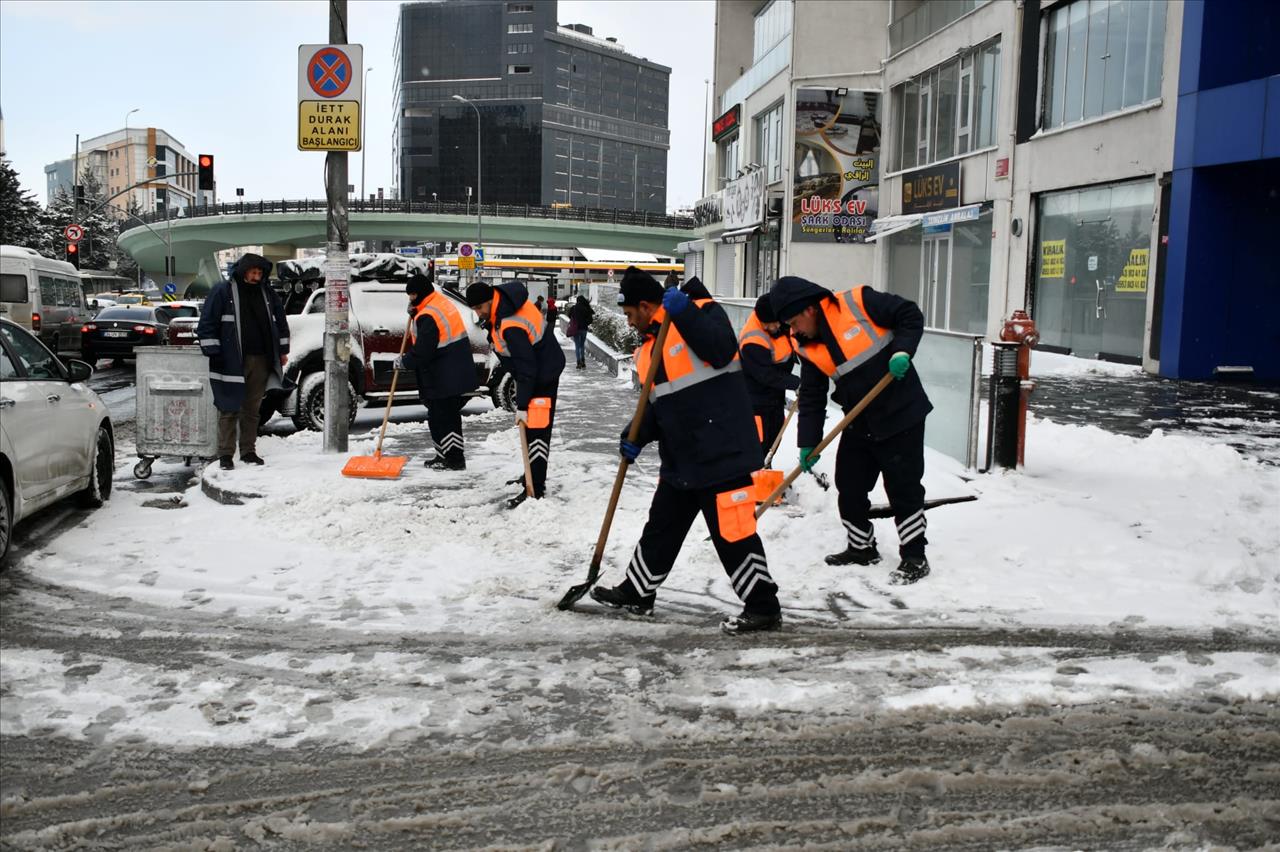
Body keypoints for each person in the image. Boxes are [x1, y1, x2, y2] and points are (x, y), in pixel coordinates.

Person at [591, 267, 783, 634]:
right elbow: (657, 405)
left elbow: (723, 350)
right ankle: (638, 591)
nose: (629, 323)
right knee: (661, 528)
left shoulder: (700, 312)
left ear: (647, 307)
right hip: (683, 458)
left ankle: (763, 607)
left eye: (631, 314)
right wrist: (634, 435)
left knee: (734, 535)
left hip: (722, 453)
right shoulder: (647, 350)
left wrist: (683, 312)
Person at [769, 276, 934, 585]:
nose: (794, 330)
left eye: (795, 322)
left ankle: (914, 556)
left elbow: (909, 314)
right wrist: (808, 443)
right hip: (860, 420)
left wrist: (902, 350)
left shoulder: (859, 302)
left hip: (901, 413)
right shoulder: (806, 345)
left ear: (809, 309)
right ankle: (862, 547)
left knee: (903, 488)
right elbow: (814, 396)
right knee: (850, 484)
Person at [465, 279, 566, 505]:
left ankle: (535, 488)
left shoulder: (511, 323)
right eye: (475, 310)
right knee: (531, 430)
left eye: (480, 308)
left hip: (543, 374)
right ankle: (530, 473)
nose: (479, 314)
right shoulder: (502, 309)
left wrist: (521, 406)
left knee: (538, 430)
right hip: (535, 370)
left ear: (491, 301)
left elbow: (526, 367)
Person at [196, 253, 291, 470]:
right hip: (230, 360)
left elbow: (280, 322)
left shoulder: (267, 293)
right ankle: (226, 455)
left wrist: (283, 350)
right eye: (253, 272)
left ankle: (248, 451)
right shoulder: (223, 291)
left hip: (261, 359)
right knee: (228, 407)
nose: (256, 276)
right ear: (243, 271)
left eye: (260, 273)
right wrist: (213, 351)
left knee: (252, 409)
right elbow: (207, 323)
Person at [395, 271, 478, 470]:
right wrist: (415, 311)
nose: (411, 299)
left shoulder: (428, 315)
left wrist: (404, 362)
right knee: (439, 416)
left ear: (421, 293)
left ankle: (455, 460)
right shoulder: (437, 302)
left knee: (445, 418)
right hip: (448, 369)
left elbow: (424, 351)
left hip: (444, 372)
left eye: (413, 295)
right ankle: (444, 455)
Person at [739, 292, 800, 455]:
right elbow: (765, 374)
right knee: (759, 444)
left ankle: (765, 470)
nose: (769, 327)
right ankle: (755, 475)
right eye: (766, 324)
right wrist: (796, 383)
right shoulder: (753, 340)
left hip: (774, 398)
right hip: (757, 403)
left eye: (772, 323)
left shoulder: (780, 323)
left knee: (774, 439)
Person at [566, 295, 594, 369]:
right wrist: (585, 323)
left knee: (577, 346)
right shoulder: (586, 308)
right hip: (583, 329)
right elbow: (590, 319)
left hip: (575, 329)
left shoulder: (573, 308)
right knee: (582, 345)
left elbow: (569, 316)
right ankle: (583, 361)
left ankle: (578, 362)